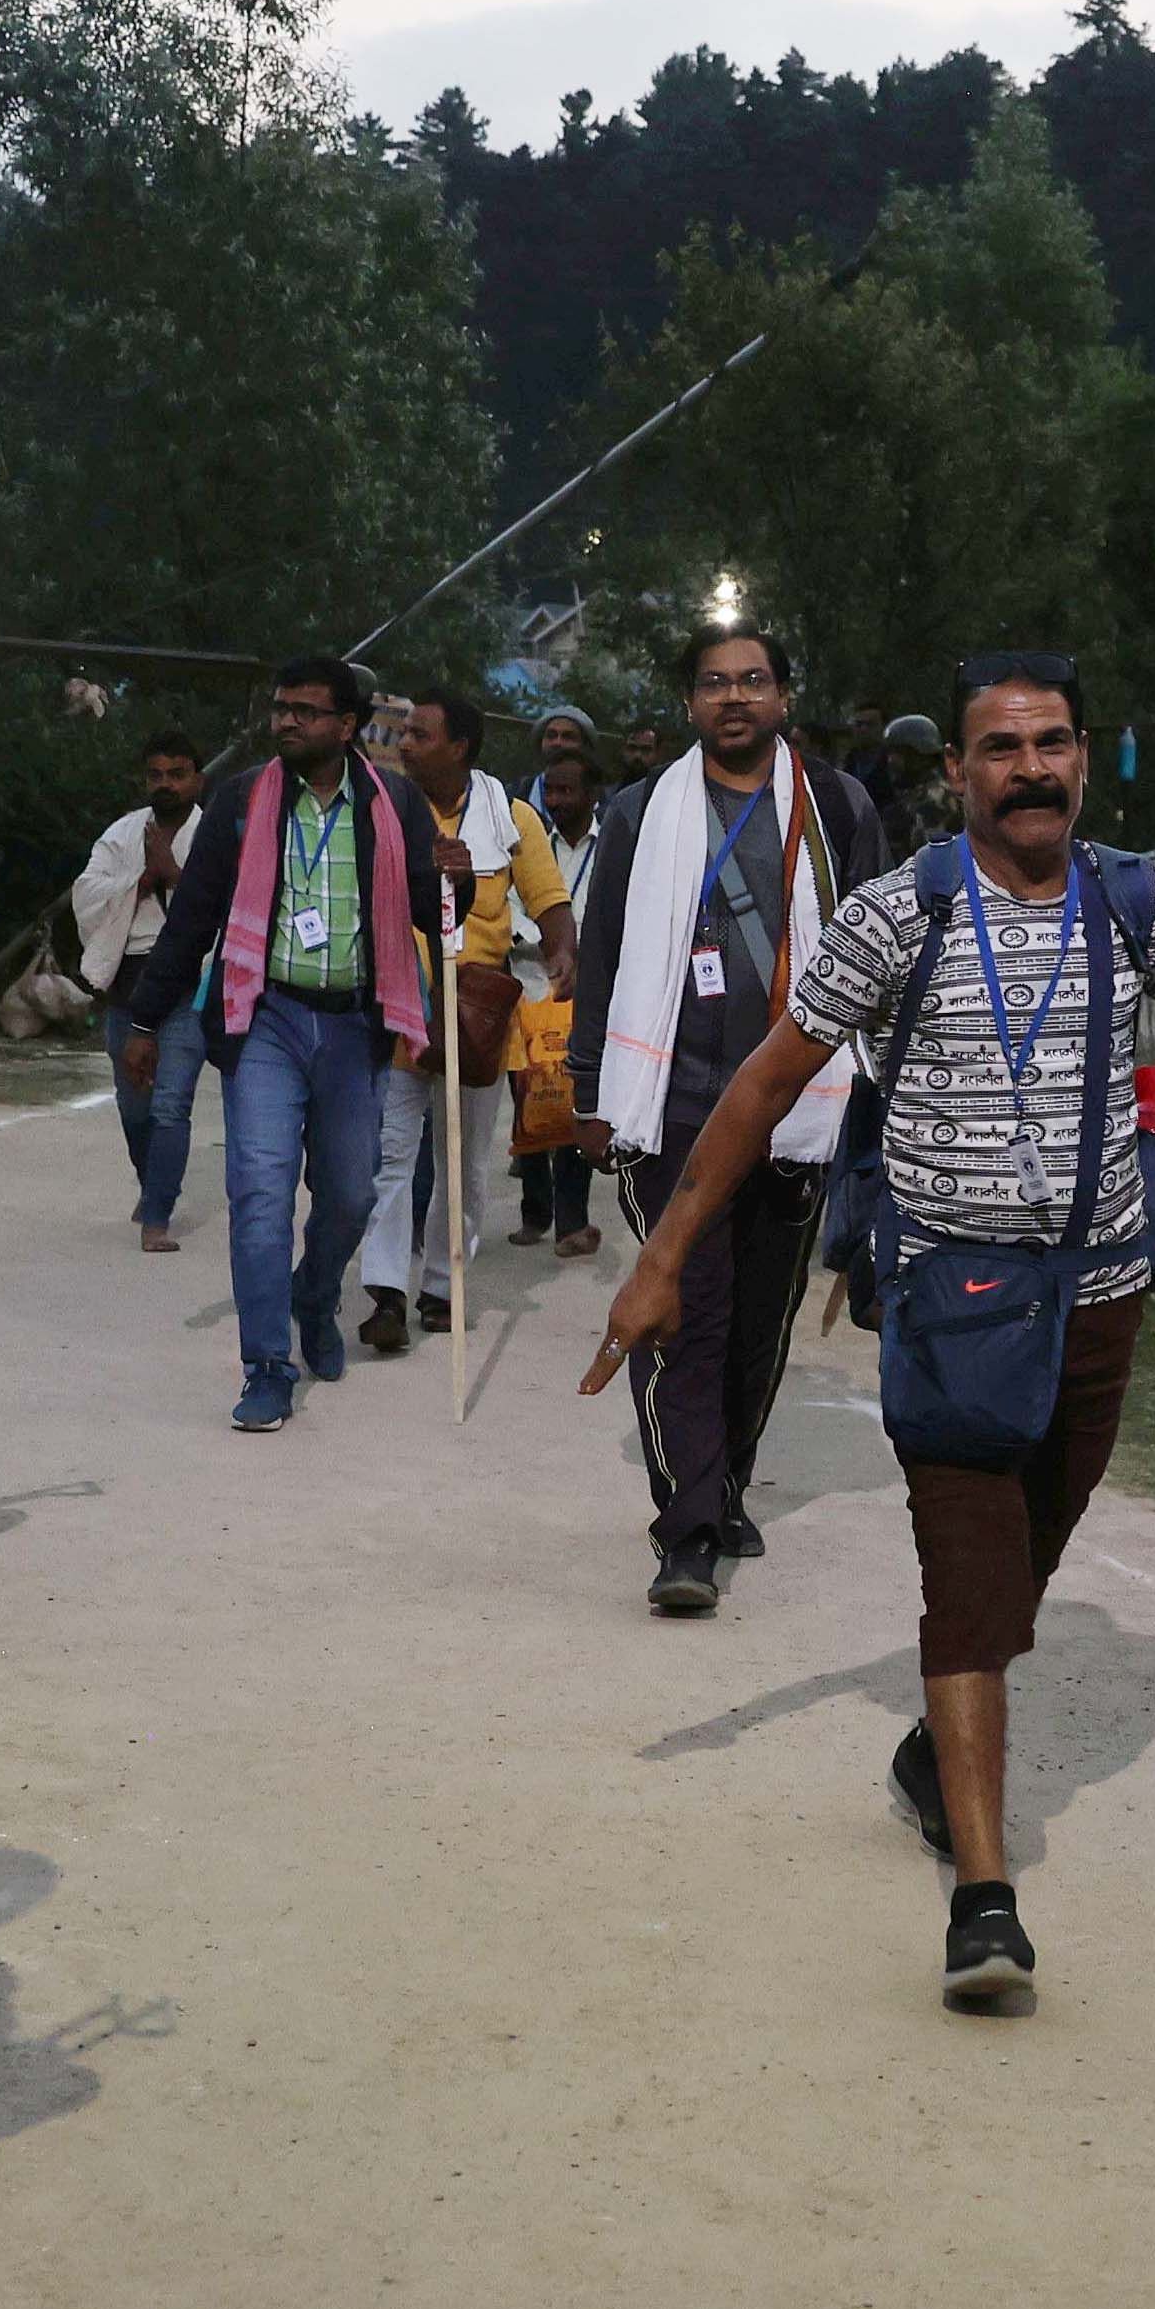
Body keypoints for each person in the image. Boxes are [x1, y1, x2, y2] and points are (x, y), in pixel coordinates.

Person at [590, 654, 1155, 2003]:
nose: (1029, 770)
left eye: (1051, 743)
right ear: (958, 774)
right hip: (952, 1304)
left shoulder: (1135, 899)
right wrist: (663, 1258)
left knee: (1023, 1567)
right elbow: (765, 1086)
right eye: (998, 749)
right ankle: (985, 1901)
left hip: (1101, 1296)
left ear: (1081, 754)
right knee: (967, 1583)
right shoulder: (900, 914)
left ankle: (923, 1764)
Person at [562, 624, 883, 1611]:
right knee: (682, 1311)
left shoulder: (836, 805)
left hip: (797, 1103)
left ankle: (724, 1473)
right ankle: (688, 1525)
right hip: (670, 1104)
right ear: (688, 703)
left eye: (752, 680)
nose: (732, 697)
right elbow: (604, 952)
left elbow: (877, 942)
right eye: (712, 683)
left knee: (756, 1321)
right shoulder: (634, 813)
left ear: (784, 696)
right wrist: (586, 1089)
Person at [114, 657, 449, 1431]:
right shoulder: (241, 802)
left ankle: (315, 1294)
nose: (287, 722)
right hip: (263, 1017)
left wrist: (450, 883)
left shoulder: (395, 802)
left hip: (354, 1025)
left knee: (352, 1193)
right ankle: (266, 1363)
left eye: (306, 711)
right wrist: (144, 1022)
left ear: (347, 726)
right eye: (281, 708)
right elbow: (194, 918)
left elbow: (434, 916)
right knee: (260, 1193)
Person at [380, 686, 576, 1344]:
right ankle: (383, 1293)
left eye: (420, 735)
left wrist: (563, 958)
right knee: (390, 1156)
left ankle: (441, 1288)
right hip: (398, 1007)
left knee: (463, 1164)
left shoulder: (511, 817)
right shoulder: (384, 810)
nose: (405, 744)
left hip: (477, 1017)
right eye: (404, 733)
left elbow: (550, 904)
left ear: (459, 747)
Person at [74, 728, 211, 1250]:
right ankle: (150, 1183)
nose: (166, 784)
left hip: (186, 987)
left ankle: (158, 1216)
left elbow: (229, 905)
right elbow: (86, 895)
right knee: (134, 1106)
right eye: (156, 775)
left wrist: (173, 872)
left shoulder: (215, 834)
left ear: (197, 779)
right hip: (129, 986)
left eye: (177, 774)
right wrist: (142, 883)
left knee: (171, 1103)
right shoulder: (123, 833)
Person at [520, 749, 609, 1253]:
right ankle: (535, 1213)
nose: (555, 800)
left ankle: (572, 1224)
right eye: (549, 790)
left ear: (591, 795)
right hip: (532, 985)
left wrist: (581, 959)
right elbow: (515, 905)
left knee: (576, 1099)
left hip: (589, 994)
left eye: (566, 790)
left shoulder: (614, 845)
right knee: (531, 1099)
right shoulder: (533, 843)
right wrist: (546, 950)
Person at [862, 709, 945, 862]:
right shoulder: (908, 800)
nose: (890, 761)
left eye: (897, 753)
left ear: (920, 755)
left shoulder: (932, 803)